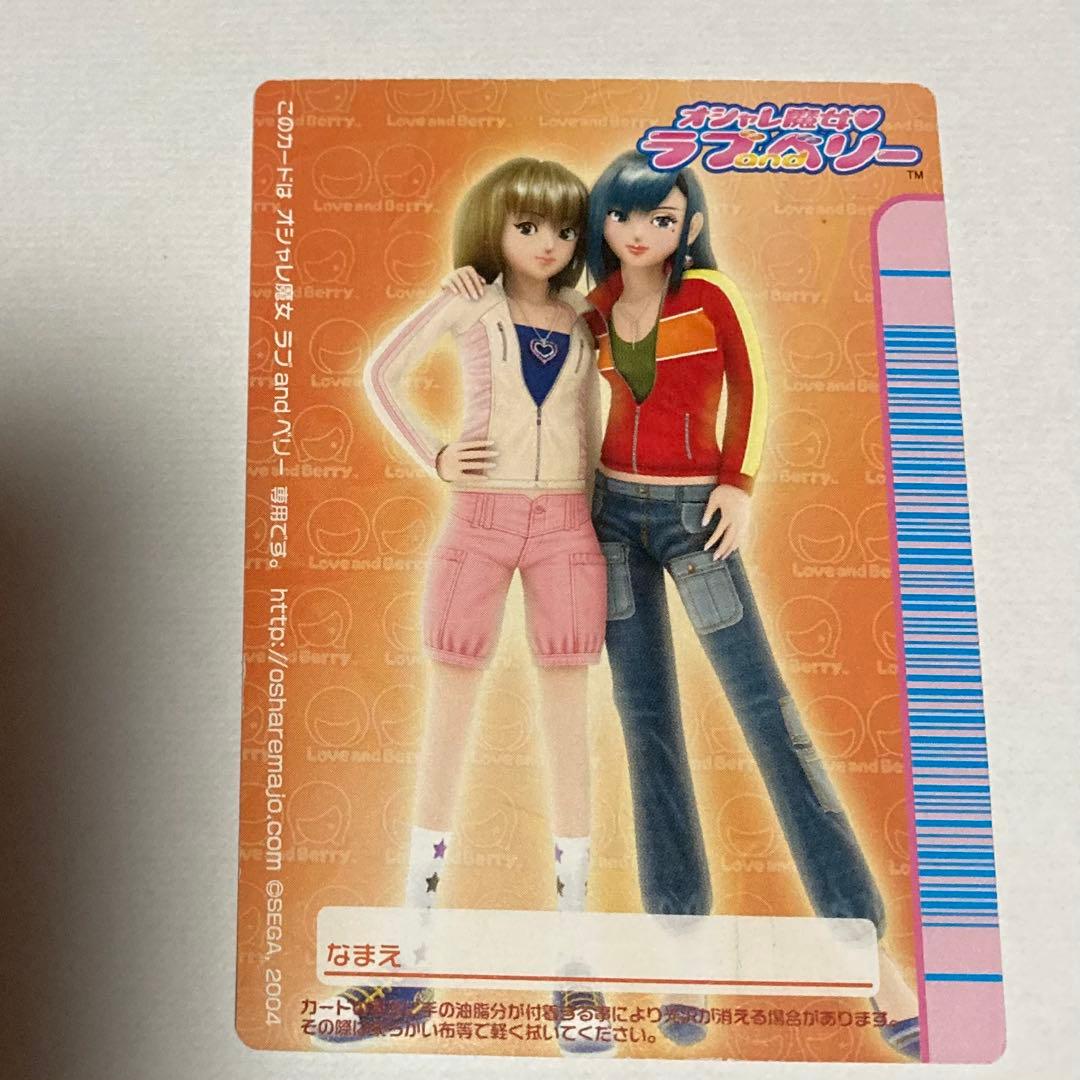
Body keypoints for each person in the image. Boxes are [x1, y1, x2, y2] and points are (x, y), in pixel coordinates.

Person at [317, 158, 611, 1054]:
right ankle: (410, 966)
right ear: (496, 228)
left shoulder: (586, 319)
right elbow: (383, 374)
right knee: (445, 732)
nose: (548, 244)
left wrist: (602, 514)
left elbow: (598, 423)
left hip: (567, 528)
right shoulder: (468, 304)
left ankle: (575, 969)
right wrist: (436, 456)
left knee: (570, 740)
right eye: (528, 227)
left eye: (563, 229)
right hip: (476, 524)